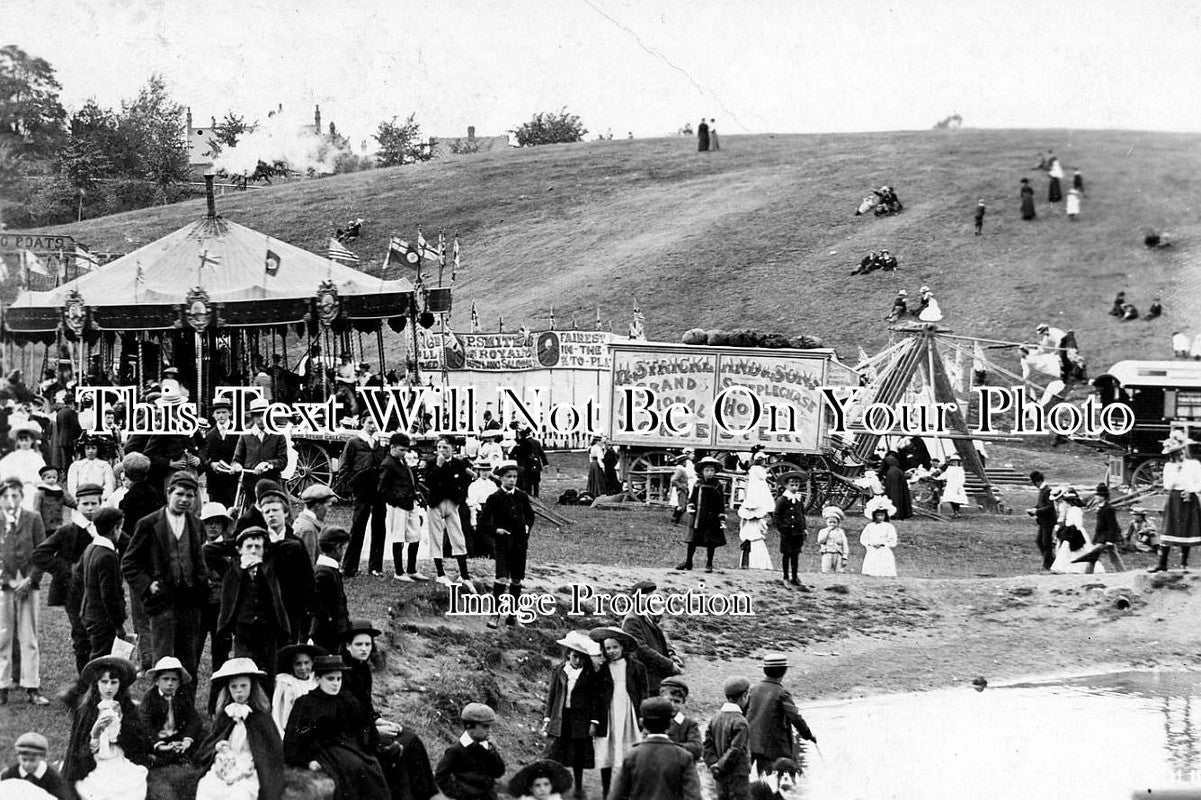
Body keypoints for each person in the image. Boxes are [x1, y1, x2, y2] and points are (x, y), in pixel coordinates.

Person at [120, 470, 207, 698]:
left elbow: (200, 561)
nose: (185, 500)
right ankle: (159, 712)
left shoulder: (197, 525)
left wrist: (201, 587)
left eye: (190, 495)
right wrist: (148, 585)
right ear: (168, 493)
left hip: (189, 602)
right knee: (163, 660)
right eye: (180, 494)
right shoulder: (149, 524)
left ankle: (184, 710)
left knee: (189, 660)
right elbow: (129, 562)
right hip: (162, 603)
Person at [340, 620, 438, 800]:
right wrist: (374, 730)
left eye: (368, 644)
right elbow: (345, 716)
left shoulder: (363, 670)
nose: (364, 649)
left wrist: (380, 721)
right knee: (396, 748)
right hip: (351, 735)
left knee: (412, 740)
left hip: (367, 727)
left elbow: (366, 707)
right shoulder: (341, 674)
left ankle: (426, 794)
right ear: (348, 646)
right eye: (359, 644)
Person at [285, 654, 390, 800]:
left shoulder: (347, 699)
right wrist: (307, 761)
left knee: (372, 766)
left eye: (338, 679)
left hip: (350, 745)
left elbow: (364, 725)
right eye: (330, 679)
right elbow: (295, 737)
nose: (335, 683)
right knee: (354, 767)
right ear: (317, 679)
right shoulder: (305, 703)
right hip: (323, 750)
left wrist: (370, 743)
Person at [31, 481, 104, 674]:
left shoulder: (106, 530)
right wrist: (67, 570)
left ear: (101, 503)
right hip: (74, 592)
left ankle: (103, 683)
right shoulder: (67, 531)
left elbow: (129, 548)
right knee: (81, 635)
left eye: (94, 503)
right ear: (77, 505)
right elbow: (40, 554)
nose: (89, 508)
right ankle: (84, 682)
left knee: (102, 635)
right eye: (85, 504)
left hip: (100, 590)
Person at [196, 657, 284, 800]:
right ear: (228, 689)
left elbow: (271, 749)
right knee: (206, 787)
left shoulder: (261, 717)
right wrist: (217, 749)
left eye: (244, 686)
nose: (239, 692)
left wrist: (254, 762)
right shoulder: (225, 714)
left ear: (252, 687)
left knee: (240, 794)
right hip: (225, 762)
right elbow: (212, 740)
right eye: (234, 687)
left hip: (249, 764)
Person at [63, 655, 149, 800]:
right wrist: (95, 734)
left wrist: (121, 722)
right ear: (96, 683)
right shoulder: (87, 709)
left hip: (119, 756)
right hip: (94, 759)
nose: (109, 687)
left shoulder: (128, 707)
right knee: (97, 789)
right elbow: (80, 746)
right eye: (104, 682)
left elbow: (137, 742)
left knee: (128, 786)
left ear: (120, 684)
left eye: (114, 682)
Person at [216, 526, 291, 689]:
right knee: (244, 668)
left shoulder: (271, 566)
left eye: (258, 547)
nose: (253, 550)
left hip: (268, 627)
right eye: (249, 546)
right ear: (240, 549)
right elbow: (208, 550)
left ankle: (267, 708)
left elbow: (294, 547)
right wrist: (236, 547)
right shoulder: (232, 568)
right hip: (243, 627)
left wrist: (269, 549)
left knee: (270, 670)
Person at [0, 475, 48, 705]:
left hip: (29, 585)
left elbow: (42, 552)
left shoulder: (33, 518)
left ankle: (32, 686)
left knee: (29, 637)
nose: (11, 500)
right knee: (3, 635)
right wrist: (9, 581)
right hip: (4, 586)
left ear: (21, 496)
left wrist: (29, 579)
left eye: (15, 495)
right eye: (6, 496)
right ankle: (2, 685)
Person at [589, 626, 647, 798]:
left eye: (615, 647)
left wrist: (643, 714)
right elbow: (596, 696)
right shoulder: (602, 669)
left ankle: (631, 788)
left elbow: (644, 692)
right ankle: (607, 790)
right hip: (609, 712)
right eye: (608, 648)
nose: (612, 651)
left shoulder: (637, 667)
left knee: (630, 749)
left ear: (622, 647)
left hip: (629, 710)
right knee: (606, 749)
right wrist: (594, 719)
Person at [541, 630, 600, 796]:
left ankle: (579, 786)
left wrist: (593, 722)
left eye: (582, 657)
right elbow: (552, 695)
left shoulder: (589, 674)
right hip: (560, 716)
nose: (578, 660)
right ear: (568, 655)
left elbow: (595, 699)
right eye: (575, 656)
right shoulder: (559, 670)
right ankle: (551, 784)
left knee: (578, 754)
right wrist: (547, 717)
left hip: (580, 719)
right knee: (554, 751)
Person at [607, 697, 701, 800]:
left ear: (642, 723)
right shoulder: (684, 757)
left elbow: (616, 795)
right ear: (669, 724)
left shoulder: (632, 756)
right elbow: (693, 796)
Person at [479, 461, 536, 628]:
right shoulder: (494, 498)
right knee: (502, 578)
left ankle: (513, 615)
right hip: (503, 544)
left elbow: (530, 516)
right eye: (509, 477)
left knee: (516, 580)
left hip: (519, 544)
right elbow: (483, 521)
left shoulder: (521, 496)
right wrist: (496, 531)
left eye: (515, 477)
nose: (512, 480)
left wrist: (527, 527)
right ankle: (495, 615)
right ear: (501, 478)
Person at [745, 653, 815, 775]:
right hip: (774, 745)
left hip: (752, 742)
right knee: (781, 775)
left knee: (760, 775)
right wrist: (807, 734)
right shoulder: (782, 693)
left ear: (764, 670)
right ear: (784, 671)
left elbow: (745, 712)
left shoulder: (753, 689)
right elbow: (795, 717)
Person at [338, 414, 386, 577]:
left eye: (376, 423)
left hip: (378, 490)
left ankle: (375, 567)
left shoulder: (380, 443)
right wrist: (353, 486)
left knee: (379, 527)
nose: (373, 426)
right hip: (362, 490)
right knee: (358, 527)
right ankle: (349, 566)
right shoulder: (354, 442)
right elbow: (344, 467)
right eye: (370, 423)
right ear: (362, 423)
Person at [425, 437, 475, 590]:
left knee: (458, 537)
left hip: (452, 503)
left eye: (445, 447)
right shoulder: (432, 463)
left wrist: (459, 499)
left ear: (452, 447)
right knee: (436, 537)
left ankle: (464, 575)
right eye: (439, 447)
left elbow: (465, 481)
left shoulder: (459, 464)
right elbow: (429, 482)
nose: (441, 450)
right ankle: (440, 573)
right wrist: (438, 467)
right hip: (436, 503)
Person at [78, 507, 127, 661]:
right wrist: (118, 624)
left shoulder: (91, 548)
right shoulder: (108, 556)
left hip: (89, 612)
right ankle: (90, 685)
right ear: (115, 528)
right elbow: (109, 595)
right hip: (103, 619)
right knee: (102, 660)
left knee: (99, 656)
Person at [1150, 432, 1201, 572]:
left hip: (1189, 498)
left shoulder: (1194, 464)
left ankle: (1184, 563)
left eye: (1182, 451)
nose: (1181, 454)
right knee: (1169, 527)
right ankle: (1162, 563)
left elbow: (1199, 483)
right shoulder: (1169, 467)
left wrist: (1190, 490)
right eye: (1177, 453)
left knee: (1187, 528)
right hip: (1174, 498)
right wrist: (1177, 471)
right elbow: (1167, 485)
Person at [621, 581, 683, 694]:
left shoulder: (648, 616)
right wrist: (669, 664)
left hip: (655, 678)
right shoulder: (632, 620)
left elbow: (660, 639)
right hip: (645, 679)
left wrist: (671, 654)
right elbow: (641, 650)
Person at [435, 702, 506, 800]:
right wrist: (457, 794)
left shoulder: (487, 747)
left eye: (490, 726)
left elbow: (499, 772)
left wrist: (493, 752)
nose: (489, 730)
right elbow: (440, 776)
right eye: (485, 726)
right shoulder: (456, 750)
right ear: (470, 727)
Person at [379, 433, 425, 581]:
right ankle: (398, 572)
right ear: (392, 447)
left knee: (415, 535)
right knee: (398, 537)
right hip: (398, 506)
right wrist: (396, 500)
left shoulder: (401, 460)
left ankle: (411, 569)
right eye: (402, 450)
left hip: (410, 502)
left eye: (406, 450)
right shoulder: (387, 464)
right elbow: (382, 489)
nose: (405, 453)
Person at [139, 656, 201, 766]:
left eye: (174, 679)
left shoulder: (183, 696)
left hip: (176, 736)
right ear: (157, 681)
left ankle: (176, 754)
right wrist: (159, 744)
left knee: (202, 737)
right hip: (157, 737)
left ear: (179, 682)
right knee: (139, 741)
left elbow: (193, 719)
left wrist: (187, 740)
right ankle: (163, 756)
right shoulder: (150, 697)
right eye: (165, 679)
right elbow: (145, 722)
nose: (170, 683)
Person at [231, 397, 287, 515]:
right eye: (257, 415)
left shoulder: (278, 435)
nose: (261, 419)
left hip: (271, 484)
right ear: (252, 417)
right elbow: (237, 459)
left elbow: (283, 461)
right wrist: (236, 466)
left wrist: (268, 464)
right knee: (252, 517)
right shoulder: (246, 435)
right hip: (251, 486)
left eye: (264, 415)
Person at [704, 677, 752, 800]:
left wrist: (714, 764)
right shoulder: (741, 721)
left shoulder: (715, 718)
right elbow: (735, 749)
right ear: (744, 695)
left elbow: (707, 745)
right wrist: (720, 765)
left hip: (719, 775)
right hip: (738, 775)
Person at [677, 456, 727, 572]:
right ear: (702, 471)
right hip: (698, 517)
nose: (709, 473)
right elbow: (692, 498)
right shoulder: (698, 484)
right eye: (707, 470)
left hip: (711, 518)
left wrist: (721, 517)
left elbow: (720, 502)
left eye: (712, 470)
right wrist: (691, 507)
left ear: (714, 472)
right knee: (692, 541)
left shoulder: (717, 485)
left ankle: (709, 563)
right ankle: (688, 562)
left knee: (711, 541)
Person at [310, 526, 352, 652]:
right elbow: (320, 609)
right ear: (337, 547)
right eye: (343, 548)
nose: (344, 552)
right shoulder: (324, 573)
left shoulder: (330, 570)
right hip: (327, 637)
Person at [272, 643, 324, 737]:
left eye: (306, 663)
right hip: (292, 733)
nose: (303, 668)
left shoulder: (317, 682)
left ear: (312, 663)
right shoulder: (286, 683)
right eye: (298, 664)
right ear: (292, 666)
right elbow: (277, 712)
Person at [1, 732, 71, 800]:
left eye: (32, 760)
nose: (27, 764)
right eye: (24, 760)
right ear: (18, 756)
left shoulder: (53, 779)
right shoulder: (9, 775)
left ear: (43, 757)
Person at [1075, 484, 1125, 573]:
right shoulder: (1100, 508)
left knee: (1092, 555)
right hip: (1100, 536)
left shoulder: (1108, 509)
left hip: (1105, 538)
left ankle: (1087, 574)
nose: (1096, 497)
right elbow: (1099, 527)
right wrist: (1095, 538)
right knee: (1111, 556)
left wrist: (1110, 540)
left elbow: (1112, 526)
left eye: (1098, 495)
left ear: (1103, 497)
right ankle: (1121, 571)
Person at [1048, 487, 1097, 574]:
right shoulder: (1070, 510)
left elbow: (1078, 525)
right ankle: (1063, 567)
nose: (1065, 503)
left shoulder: (1075, 510)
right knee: (1065, 550)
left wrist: (1069, 528)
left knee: (1078, 550)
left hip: (1075, 533)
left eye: (1067, 501)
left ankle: (1076, 568)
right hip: (1069, 532)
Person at [738, 458, 775, 571]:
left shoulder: (752, 469)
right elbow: (764, 529)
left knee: (747, 552)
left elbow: (742, 528)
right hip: (757, 540)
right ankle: (759, 566)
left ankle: (746, 565)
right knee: (758, 554)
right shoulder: (760, 521)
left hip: (753, 488)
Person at [202, 398, 239, 508]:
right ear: (213, 415)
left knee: (233, 509)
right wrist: (211, 464)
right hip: (215, 481)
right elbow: (204, 456)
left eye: (224, 412)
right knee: (216, 510)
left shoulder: (238, 431)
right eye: (218, 413)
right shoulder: (209, 435)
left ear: (230, 413)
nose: (221, 415)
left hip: (233, 480)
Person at [1, 421, 47, 508]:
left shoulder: (36, 457)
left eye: (26, 440)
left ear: (32, 441)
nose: (24, 443)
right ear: (17, 441)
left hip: (31, 490)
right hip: (16, 489)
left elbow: (43, 474)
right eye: (21, 440)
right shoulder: (13, 456)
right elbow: (3, 470)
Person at [774, 471, 807, 587]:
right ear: (786, 486)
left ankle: (794, 576)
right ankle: (785, 577)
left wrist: (804, 528)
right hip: (787, 533)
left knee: (795, 554)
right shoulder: (782, 500)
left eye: (796, 485)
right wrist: (782, 528)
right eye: (792, 484)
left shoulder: (798, 499)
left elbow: (802, 515)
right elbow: (776, 517)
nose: (794, 487)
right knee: (786, 554)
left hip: (797, 532)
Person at [658, 676, 701, 762]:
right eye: (669, 700)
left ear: (683, 703)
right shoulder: (654, 720)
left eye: (677, 701)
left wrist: (669, 748)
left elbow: (696, 749)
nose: (673, 705)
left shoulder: (689, 724)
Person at [860, 496, 899, 577]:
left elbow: (892, 540)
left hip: (883, 550)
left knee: (885, 567)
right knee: (872, 566)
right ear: (874, 516)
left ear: (885, 516)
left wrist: (883, 544)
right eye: (878, 515)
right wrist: (870, 544)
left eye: (882, 515)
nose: (880, 517)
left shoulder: (889, 526)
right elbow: (863, 538)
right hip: (872, 550)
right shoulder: (870, 526)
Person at [67, 435, 115, 500]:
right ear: (83, 449)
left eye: (93, 448)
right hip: (81, 497)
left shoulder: (104, 465)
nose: (90, 451)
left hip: (100, 498)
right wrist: (78, 497)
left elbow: (110, 485)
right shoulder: (76, 466)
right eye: (88, 448)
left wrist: (101, 498)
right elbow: (72, 486)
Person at [32, 465, 74, 532]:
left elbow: (69, 502)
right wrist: (38, 523)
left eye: (54, 477)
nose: (52, 479)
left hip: (58, 523)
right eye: (49, 477)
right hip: (46, 524)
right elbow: (36, 509)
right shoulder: (40, 493)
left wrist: (78, 504)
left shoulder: (59, 491)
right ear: (43, 479)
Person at [507, 760, 573, 800]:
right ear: (531, 788)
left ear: (551, 786)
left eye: (546, 784)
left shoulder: (555, 798)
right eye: (537, 785)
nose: (542, 789)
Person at [512, 427, 549, 498]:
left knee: (528, 481)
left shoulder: (522, 443)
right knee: (536, 482)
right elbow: (542, 454)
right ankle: (536, 495)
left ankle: (529, 495)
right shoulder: (537, 442)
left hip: (527, 465)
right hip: (536, 465)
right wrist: (545, 464)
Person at [879, 453, 912, 520]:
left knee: (895, 494)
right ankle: (900, 512)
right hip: (896, 473)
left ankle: (896, 513)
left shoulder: (890, 465)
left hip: (893, 474)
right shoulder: (895, 466)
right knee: (897, 493)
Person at [817, 506, 849, 573]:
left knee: (838, 571)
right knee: (826, 571)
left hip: (837, 554)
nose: (832, 524)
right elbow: (820, 541)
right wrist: (827, 531)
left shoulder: (840, 532)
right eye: (830, 522)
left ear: (838, 523)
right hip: (827, 553)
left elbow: (845, 545)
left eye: (834, 522)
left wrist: (844, 557)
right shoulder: (823, 531)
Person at [940, 453, 968, 518]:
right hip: (950, 485)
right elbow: (945, 475)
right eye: (952, 461)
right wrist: (937, 478)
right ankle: (955, 511)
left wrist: (959, 486)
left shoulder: (960, 469)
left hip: (957, 485)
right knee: (951, 499)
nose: (954, 463)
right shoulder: (949, 468)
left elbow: (962, 478)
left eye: (955, 461)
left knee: (957, 499)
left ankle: (957, 512)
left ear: (958, 462)